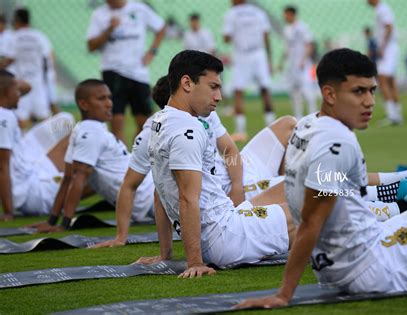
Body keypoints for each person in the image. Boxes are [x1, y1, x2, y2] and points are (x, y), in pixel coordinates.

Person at [236, 48, 407, 310]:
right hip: (375, 266)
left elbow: (324, 191)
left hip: (346, 259)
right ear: (330, 94)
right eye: (358, 92)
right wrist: (284, 294)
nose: (370, 101)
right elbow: (311, 222)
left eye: (372, 90)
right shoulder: (338, 143)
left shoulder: (307, 126)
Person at [95, 71, 296, 248]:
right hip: (241, 189)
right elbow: (136, 187)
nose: (216, 97)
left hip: (241, 170)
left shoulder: (205, 113)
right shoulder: (155, 134)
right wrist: (121, 237)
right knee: (310, 188)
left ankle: (275, 184)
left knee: (289, 124)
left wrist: (237, 186)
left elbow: (229, 150)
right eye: (212, 88)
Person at [147, 50, 295, 277]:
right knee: (327, 204)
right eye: (213, 87)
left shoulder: (160, 123)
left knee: (307, 190)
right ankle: (368, 194)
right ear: (187, 83)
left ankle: (369, 190)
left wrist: (166, 254)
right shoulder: (188, 129)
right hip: (228, 235)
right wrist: (195, 262)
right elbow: (188, 198)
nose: (219, 96)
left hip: (225, 224)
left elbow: (160, 193)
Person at [32, 79, 155, 233]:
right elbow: (74, 179)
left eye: (109, 98)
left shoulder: (82, 131)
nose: (109, 103)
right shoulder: (90, 133)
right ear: (84, 104)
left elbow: (70, 179)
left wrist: (54, 221)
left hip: (153, 193)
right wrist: (62, 224)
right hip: (152, 197)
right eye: (101, 99)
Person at [86, 0, 166, 143]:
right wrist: (109, 29)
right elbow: (91, 46)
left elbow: (161, 28)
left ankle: (137, 156)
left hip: (138, 73)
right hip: (113, 71)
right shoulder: (99, 14)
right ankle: (119, 158)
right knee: (116, 120)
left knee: (146, 124)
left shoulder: (139, 9)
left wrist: (152, 52)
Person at [0, 70, 74, 220]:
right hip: (28, 188)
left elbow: (26, 87)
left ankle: (48, 167)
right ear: (7, 91)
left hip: (24, 153)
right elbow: (2, 166)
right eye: (16, 90)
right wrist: (8, 211)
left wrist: (8, 79)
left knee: (65, 120)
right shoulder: (4, 118)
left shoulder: (6, 113)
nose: (20, 93)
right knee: (92, 166)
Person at [223, 0, 275, 141]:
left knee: (238, 91)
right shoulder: (258, 12)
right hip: (259, 54)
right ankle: (272, 127)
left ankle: (240, 131)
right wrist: (269, 60)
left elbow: (226, 38)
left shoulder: (231, 14)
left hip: (241, 55)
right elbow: (266, 36)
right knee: (265, 90)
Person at [0, 8, 55, 129]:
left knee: (21, 117)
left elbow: (8, 59)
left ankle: (22, 142)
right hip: (38, 81)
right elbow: (49, 57)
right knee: (44, 116)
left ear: (17, 21)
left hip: (21, 83)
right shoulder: (39, 36)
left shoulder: (14, 38)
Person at [367, 0, 403, 125]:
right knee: (390, 81)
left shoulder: (383, 9)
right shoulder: (381, 9)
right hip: (389, 48)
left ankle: (392, 115)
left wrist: (382, 47)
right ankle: (397, 114)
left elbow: (389, 27)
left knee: (382, 80)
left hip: (388, 48)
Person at [281, 6, 318, 120]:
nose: (284, 17)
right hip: (292, 66)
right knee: (294, 92)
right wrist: (281, 62)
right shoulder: (286, 29)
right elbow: (287, 49)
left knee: (307, 91)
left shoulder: (302, 27)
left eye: (286, 14)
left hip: (303, 65)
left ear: (292, 14)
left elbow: (310, 44)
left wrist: (303, 60)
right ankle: (298, 118)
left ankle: (313, 116)